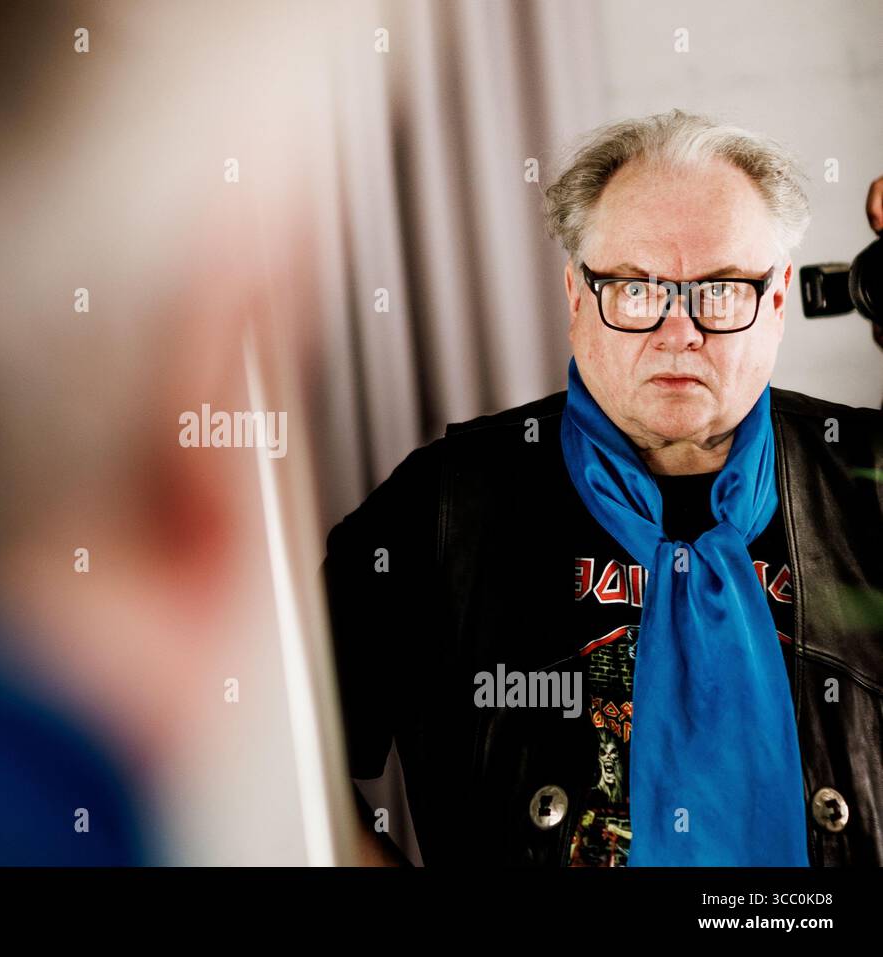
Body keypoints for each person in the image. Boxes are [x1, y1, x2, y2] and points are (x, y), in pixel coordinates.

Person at [323, 109, 883, 867]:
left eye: (720, 289)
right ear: (578, 299)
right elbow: (266, 743)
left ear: (778, 300)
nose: (679, 331)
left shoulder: (870, 478)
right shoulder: (445, 508)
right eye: (637, 288)